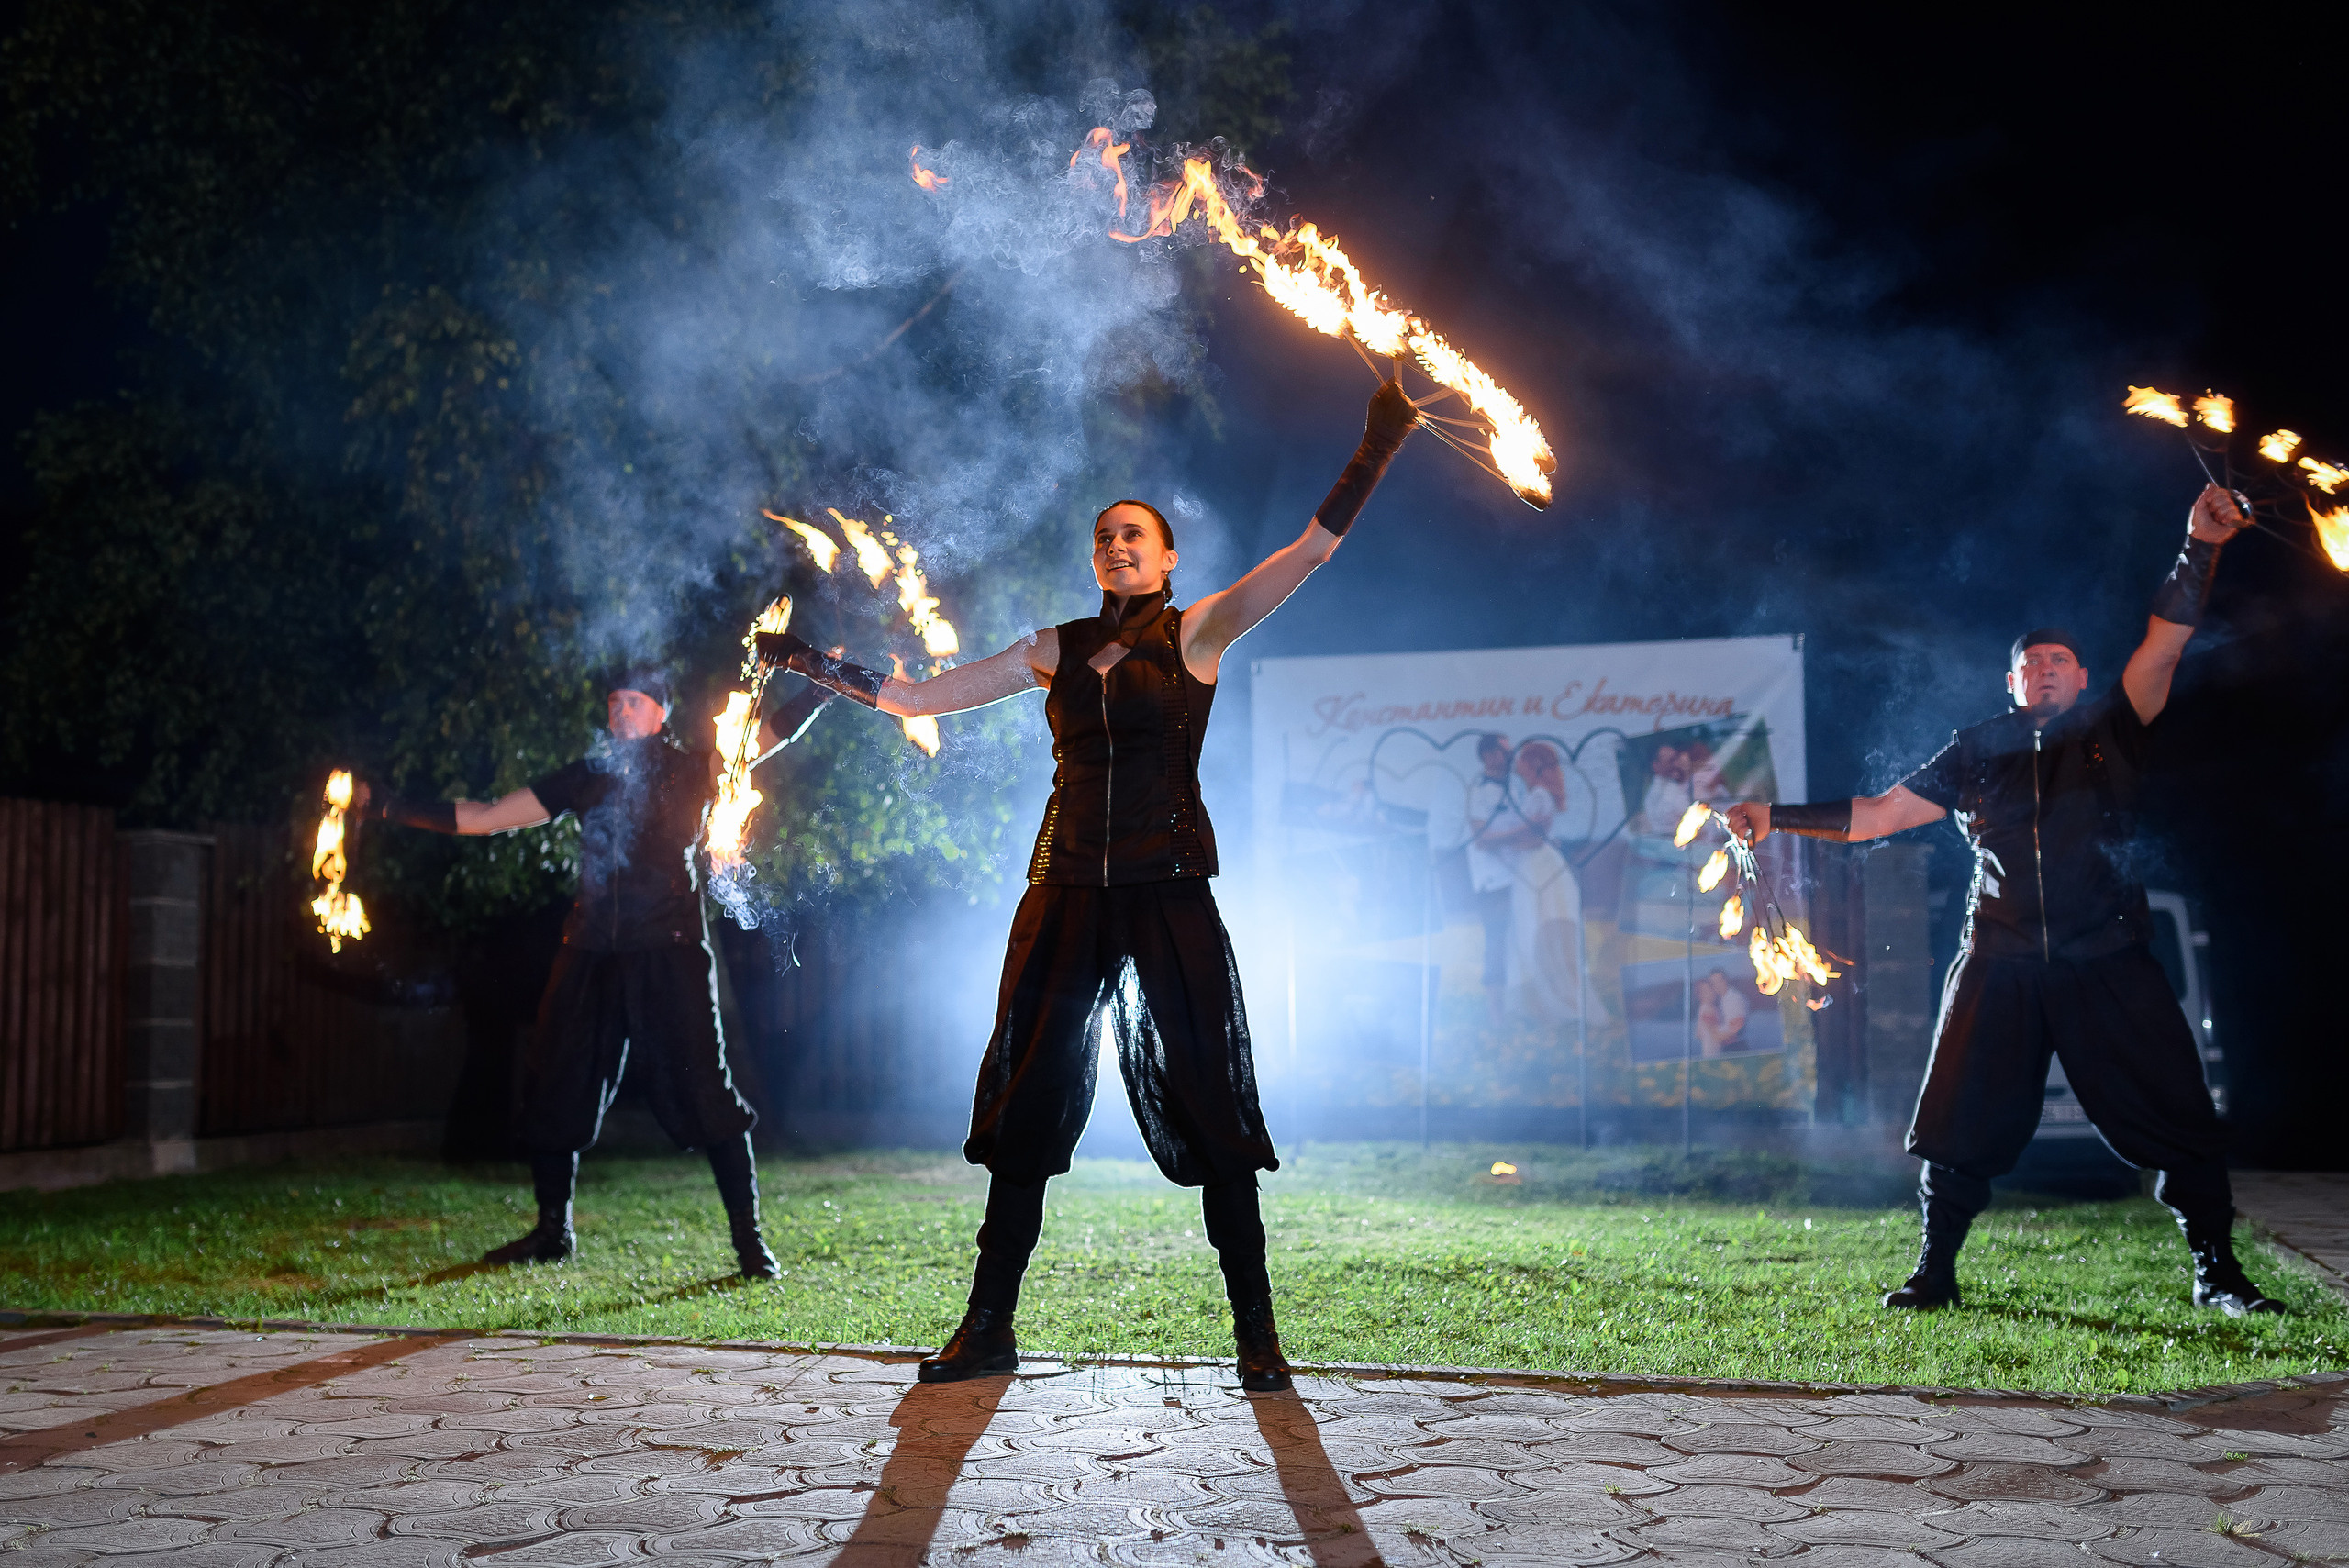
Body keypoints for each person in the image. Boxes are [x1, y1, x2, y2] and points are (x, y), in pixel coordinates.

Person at [761, 381, 1421, 1392]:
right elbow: (915, 696)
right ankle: (987, 1326)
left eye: (1135, 536)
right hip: (1064, 890)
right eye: (1105, 536)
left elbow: (1312, 552)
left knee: (1211, 1101)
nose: (1117, 546)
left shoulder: (1196, 633)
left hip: (1167, 892)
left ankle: (1257, 1333)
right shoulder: (1051, 649)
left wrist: (1376, 442)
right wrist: (808, 660)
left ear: (1165, 560)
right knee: (1026, 1102)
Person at [1727, 484, 2280, 1317]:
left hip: (2107, 957)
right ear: (2012, 679)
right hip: (2000, 961)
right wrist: (1774, 816)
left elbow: (2164, 648)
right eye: (2031, 661)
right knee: (1957, 1123)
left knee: (2176, 1112)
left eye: (2060, 659)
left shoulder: (2113, 725)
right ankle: (1934, 1270)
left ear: (2083, 676)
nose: (2046, 668)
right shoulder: (1976, 749)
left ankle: (2217, 1272)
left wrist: (2197, 547)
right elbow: (1879, 815)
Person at [358, 668, 833, 1276]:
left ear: (661, 711)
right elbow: (488, 815)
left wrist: (821, 688)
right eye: (614, 702)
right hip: (587, 953)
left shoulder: (692, 767)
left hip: (668, 948)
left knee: (705, 1090)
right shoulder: (587, 775)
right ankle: (552, 1231)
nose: (620, 711)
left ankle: (749, 1243)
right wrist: (389, 804)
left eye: (634, 701)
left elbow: (765, 735)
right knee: (555, 1083)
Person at [1465, 735, 1521, 1024]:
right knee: (1497, 941)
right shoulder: (1480, 792)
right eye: (1504, 749)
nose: (1510, 753)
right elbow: (1481, 840)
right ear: (1489, 755)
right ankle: (1495, 1014)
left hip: (1518, 877)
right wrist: (1522, 834)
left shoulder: (1514, 788)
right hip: (1493, 881)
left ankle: (1518, 1006)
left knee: (1519, 942)